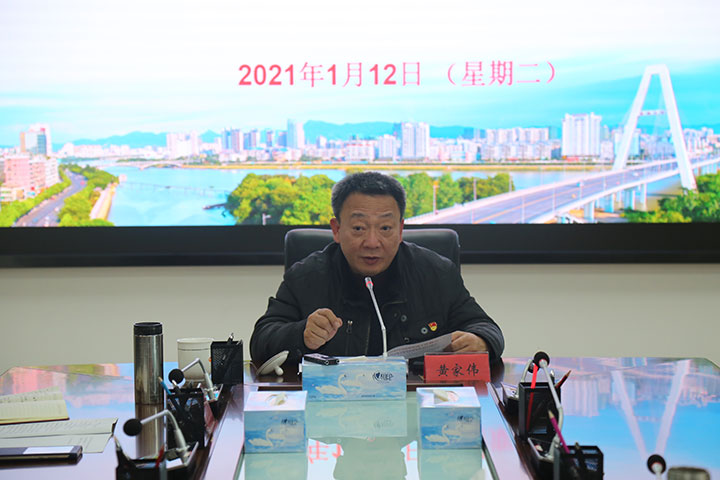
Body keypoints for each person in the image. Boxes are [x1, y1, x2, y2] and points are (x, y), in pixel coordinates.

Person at [250, 171, 504, 365]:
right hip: (333, 405)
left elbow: (486, 328)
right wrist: (301, 334)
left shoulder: (436, 273)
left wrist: (481, 342)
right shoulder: (306, 276)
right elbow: (261, 341)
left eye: (385, 228)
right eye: (359, 228)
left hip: (413, 404)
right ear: (337, 229)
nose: (372, 242)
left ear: (400, 230)